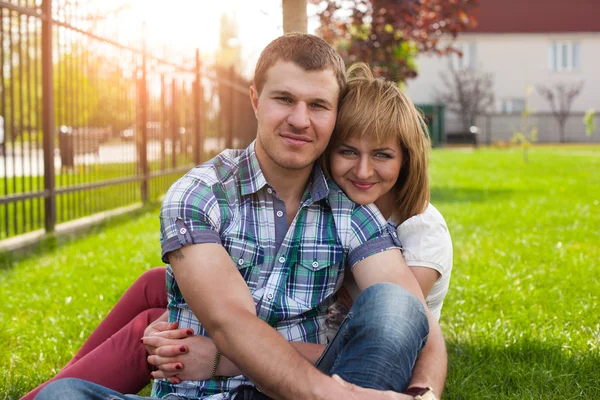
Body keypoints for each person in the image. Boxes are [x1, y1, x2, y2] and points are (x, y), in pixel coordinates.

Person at [36, 34, 446, 400]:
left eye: (318, 105)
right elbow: (230, 321)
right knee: (64, 394)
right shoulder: (201, 193)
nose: (300, 120)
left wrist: (423, 395)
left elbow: (411, 315)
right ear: (255, 100)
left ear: (335, 115)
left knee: (394, 302)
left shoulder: (351, 210)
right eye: (284, 99)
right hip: (204, 395)